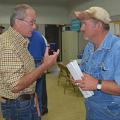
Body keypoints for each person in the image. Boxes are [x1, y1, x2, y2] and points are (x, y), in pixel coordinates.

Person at [0, 4, 59, 120]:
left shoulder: (20, 41)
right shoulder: (8, 46)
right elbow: (15, 86)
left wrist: (32, 94)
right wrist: (45, 65)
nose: (34, 27)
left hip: (25, 100)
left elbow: (25, 73)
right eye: (31, 22)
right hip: (18, 106)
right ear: (17, 22)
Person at [74, 6, 120, 120]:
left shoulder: (117, 49)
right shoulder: (89, 47)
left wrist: (97, 84)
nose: (81, 29)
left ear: (98, 25)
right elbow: (86, 72)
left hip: (111, 114)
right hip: (91, 110)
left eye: (85, 24)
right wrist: (78, 76)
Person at [28, 30, 48, 116]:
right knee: (40, 90)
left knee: (29, 90)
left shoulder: (24, 35)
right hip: (39, 63)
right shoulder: (41, 36)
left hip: (30, 63)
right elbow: (45, 51)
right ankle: (39, 112)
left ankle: (34, 112)